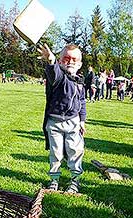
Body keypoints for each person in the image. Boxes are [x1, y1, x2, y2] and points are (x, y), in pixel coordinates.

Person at [38, 43, 86, 193]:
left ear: (80, 64)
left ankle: (75, 180)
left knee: (75, 151)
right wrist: (51, 61)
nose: (70, 62)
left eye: (74, 59)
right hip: (55, 123)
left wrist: (82, 120)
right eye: (66, 58)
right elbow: (54, 74)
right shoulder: (59, 78)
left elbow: (82, 102)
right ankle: (54, 180)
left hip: (73, 122)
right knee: (56, 153)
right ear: (60, 61)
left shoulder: (79, 81)